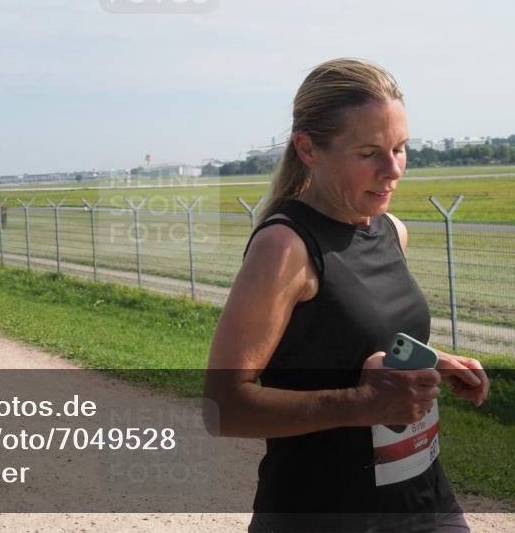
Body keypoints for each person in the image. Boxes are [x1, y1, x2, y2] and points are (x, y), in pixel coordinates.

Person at [205, 59, 490, 533]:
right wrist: (364, 404)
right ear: (308, 149)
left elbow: (350, 340)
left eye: (400, 148)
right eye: (368, 153)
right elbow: (224, 407)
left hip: (425, 503)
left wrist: (431, 360)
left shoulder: (391, 230)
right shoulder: (285, 246)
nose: (392, 169)